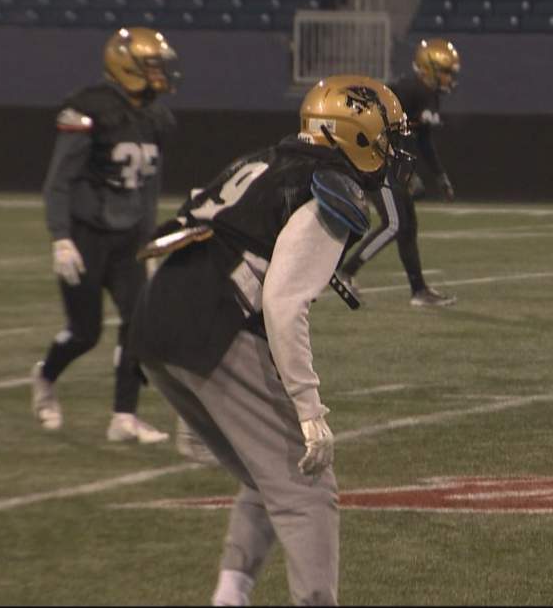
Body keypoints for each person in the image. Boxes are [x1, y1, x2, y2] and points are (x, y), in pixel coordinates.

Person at [130, 75, 413, 605]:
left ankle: (230, 596)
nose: (390, 150)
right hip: (214, 323)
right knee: (309, 485)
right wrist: (309, 408)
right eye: (384, 137)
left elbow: (174, 236)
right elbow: (284, 304)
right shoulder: (330, 185)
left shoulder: (262, 160)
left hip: (157, 319)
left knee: (266, 475)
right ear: (354, 133)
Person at [31, 27, 178, 443]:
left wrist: (148, 241)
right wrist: (61, 237)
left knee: (138, 323)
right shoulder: (90, 108)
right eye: (152, 66)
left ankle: (123, 417)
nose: (161, 73)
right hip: (86, 234)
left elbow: (149, 186)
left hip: (128, 237)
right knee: (85, 332)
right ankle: (45, 377)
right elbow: (59, 180)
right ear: (127, 67)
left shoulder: (155, 118)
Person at [337, 38, 460, 307]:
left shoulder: (428, 95)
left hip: (389, 161)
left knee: (407, 226)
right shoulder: (406, 90)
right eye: (446, 72)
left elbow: (424, 141)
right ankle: (345, 272)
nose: (450, 78)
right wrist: (403, 169)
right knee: (394, 224)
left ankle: (419, 291)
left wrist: (440, 176)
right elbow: (375, 126)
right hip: (374, 159)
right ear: (429, 69)